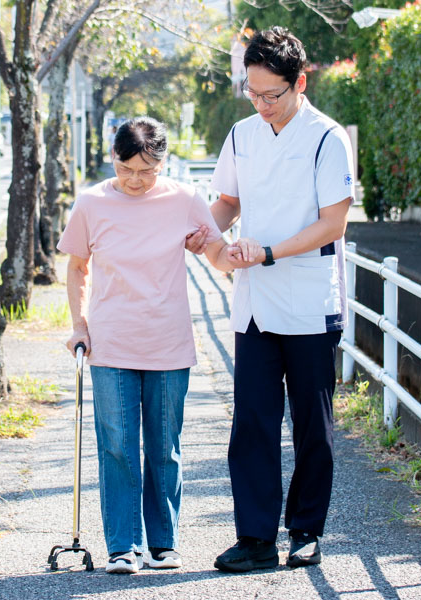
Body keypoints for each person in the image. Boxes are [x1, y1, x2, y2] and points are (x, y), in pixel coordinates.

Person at [188, 27, 355, 572]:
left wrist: (270, 253)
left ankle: (305, 531)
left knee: (313, 423)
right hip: (255, 303)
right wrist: (197, 233)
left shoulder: (328, 138)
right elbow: (228, 203)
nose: (261, 105)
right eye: (252, 94)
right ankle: (255, 538)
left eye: (271, 95)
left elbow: (332, 224)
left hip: (309, 299)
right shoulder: (242, 135)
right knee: (253, 422)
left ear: (299, 82)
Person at [57, 117, 235, 574]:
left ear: (162, 163)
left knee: (163, 447)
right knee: (117, 445)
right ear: (113, 157)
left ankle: (162, 543)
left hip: (168, 342)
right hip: (112, 343)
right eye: (126, 168)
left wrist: (225, 251)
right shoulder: (92, 203)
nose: (135, 180)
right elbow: (77, 268)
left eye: (147, 171)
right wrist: (79, 325)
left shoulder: (184, 199)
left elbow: (214, 253)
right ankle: (123, 545)